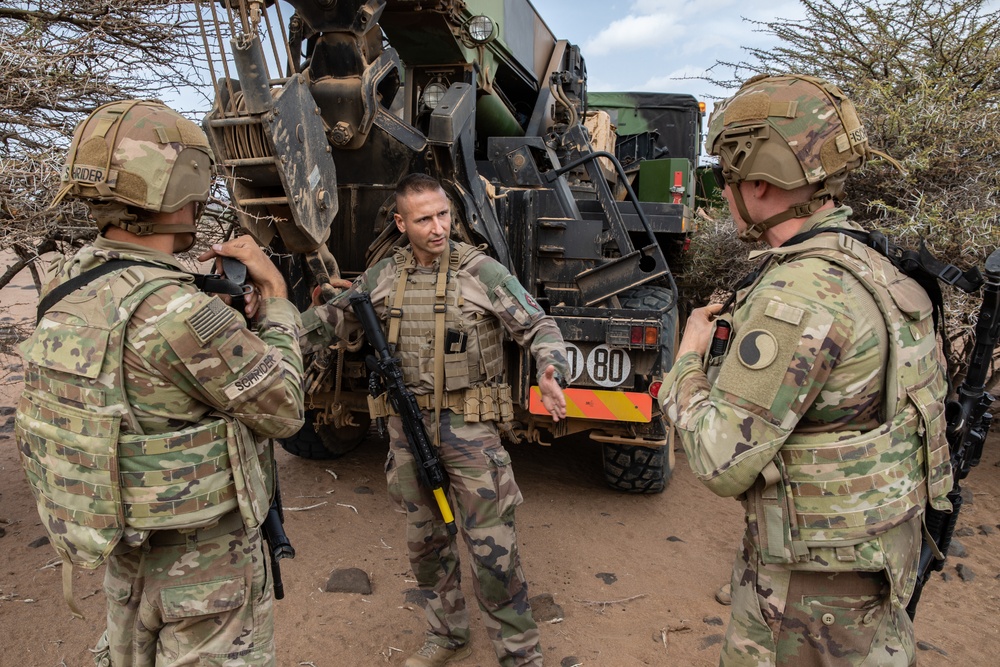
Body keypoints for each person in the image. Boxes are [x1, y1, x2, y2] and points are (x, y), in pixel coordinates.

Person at [658, 74, 953, 666]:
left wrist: (688, 358)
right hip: (873, 565)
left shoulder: (800, 294)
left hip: (808, 598)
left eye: (728, 176)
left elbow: (720, 460)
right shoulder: (873, 261)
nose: (724, 192)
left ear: (761, 182)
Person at [14, 100, 305, 666]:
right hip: (203, 574)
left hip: (124, 555)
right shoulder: (177, 310)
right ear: (183, 186)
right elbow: (284, 408)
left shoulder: (68, 282)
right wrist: (278, 306)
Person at [300, 173, 568, 667]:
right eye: (424, 219)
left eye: (443, 214)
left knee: (493, 549)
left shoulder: (481, 271)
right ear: (401, 223)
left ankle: (520, 652)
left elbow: (537, 325)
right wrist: (270, 334)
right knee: (427, 544)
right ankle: (447, 636)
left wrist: (551, 367)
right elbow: (332, 321)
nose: (439, 227)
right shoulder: (384, 275)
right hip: (407, 430)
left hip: (469, 430)